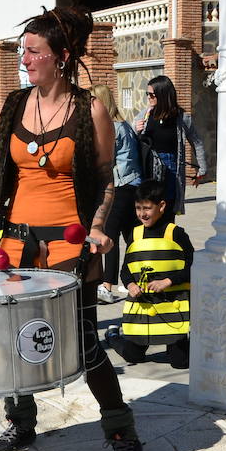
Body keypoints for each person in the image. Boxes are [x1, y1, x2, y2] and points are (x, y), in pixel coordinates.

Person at [0, 6, 147, 451]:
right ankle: (21, 421)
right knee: (12, 338)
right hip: (13, 244)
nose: (24, 59)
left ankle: (122, 434)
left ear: (61, 56)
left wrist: (98, 227)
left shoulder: (90, 109)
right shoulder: (13, 105)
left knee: (84, 344)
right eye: (23, 51)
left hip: (70, 249)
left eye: (33, 51)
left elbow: (106, 180)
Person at [117, 179, 193, 369]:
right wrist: (130, 285)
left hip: (172, 307)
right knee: (132, 356)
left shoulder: (176, 233)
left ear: (162, 206)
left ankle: (186, 343)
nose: (142, 214)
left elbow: (194, 266)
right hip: (143, 305)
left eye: (147, 208)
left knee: (180, 363)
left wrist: (169, 281)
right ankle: (113, 336)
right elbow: (126, 269)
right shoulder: (135, 234)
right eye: (138, 208)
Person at [91, 84, 140, 304]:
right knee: (131, 237)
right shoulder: (124, 125)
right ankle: (134, 281)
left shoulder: (112, 127)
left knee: (109, 236)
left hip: (119, 186)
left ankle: (106, 286)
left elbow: (105, 160)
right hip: (132, 185)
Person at [135, 75, 208, 213]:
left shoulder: (182, 118)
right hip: (148, 168)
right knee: (149, 209)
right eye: (147, 94)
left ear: (163, 95)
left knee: (168, 208)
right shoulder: (145, 115)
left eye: (152, 94)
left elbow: (197, 143)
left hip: (171, 169)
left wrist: (202, 170)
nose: (148, 97)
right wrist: (136, 130)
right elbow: (134, 141)